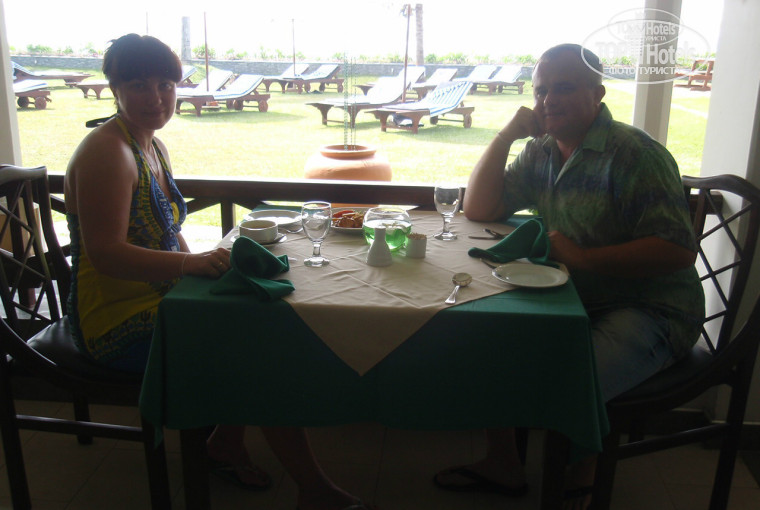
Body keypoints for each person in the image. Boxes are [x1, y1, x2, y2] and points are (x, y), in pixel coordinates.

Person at [64, 33, 370, 510]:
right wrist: (190, 265)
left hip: (161, 297)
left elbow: (166, 232)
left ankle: (226, 442)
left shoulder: (149, 144)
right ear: (114, 89)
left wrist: (199, 268)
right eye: (139, 85)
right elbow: (105, 254)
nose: (156, 97)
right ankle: (312, 489)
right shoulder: (108, 151)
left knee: (256, 316)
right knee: (251, 353)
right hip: (113, 321)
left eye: (166, 84)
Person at [433, 44, 705, 510]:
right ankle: (504, 464)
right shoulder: (542, 151)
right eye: (541, 91)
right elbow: (478, 208)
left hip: (652, 310)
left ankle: (579, 484)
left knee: (571, 378)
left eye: (563, 88)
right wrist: (506, 135)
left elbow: (678, 250)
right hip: (572, 300)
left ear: (597, 94)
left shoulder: (636, 154)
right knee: (490, 337)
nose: (548, 101)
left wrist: (585, 258)